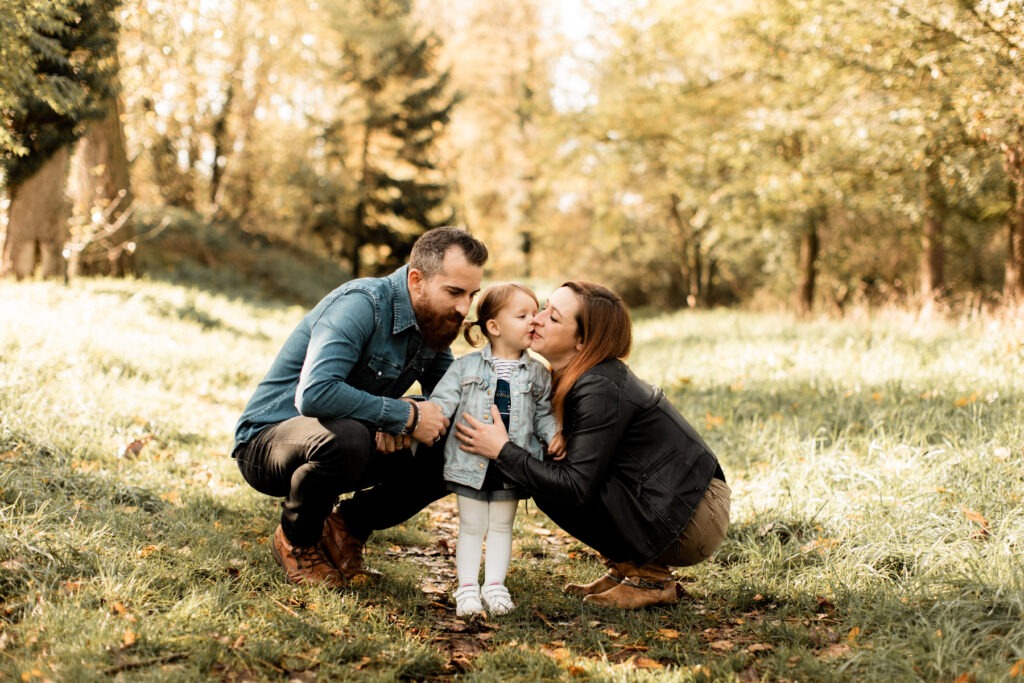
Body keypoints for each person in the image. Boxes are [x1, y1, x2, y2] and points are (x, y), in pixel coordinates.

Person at [232, 227, 488, 587]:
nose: (464, 308)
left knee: (460, 442)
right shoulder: (362, 304)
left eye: (472, 295)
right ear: (417, 280)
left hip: (347, 443)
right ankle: (297, 541)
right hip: (268, 443)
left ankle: (345, 528)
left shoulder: (431, 324)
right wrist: (405, 415)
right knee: (348, 437)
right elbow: (315, 394)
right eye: (455, 292)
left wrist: (407, 417)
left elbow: (453, 403)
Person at [455, 280, 730, 609]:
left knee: (553, 478)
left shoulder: (599, 386)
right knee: (546, 466)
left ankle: (650, 579)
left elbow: (574, 486)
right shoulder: (577, 376)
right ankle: (625, 569)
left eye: (553, 317)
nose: (536, 319)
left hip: (694, 518)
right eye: (544, 307)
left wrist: (502, 450)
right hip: (676, 504)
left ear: (582, 342)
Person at [424, 283, 562, 617]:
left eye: (535, 313)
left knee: (501, 526)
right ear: (494, 327)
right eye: (523, 315)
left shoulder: (538, 373)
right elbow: (441, 404)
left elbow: (543, 414)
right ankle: (467, 588)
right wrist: (417, 429)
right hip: (470, 460)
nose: (533, 321)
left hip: (512, 462)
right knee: (472, 525)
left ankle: (495, 586)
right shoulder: (465, 367)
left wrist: (554, 435)